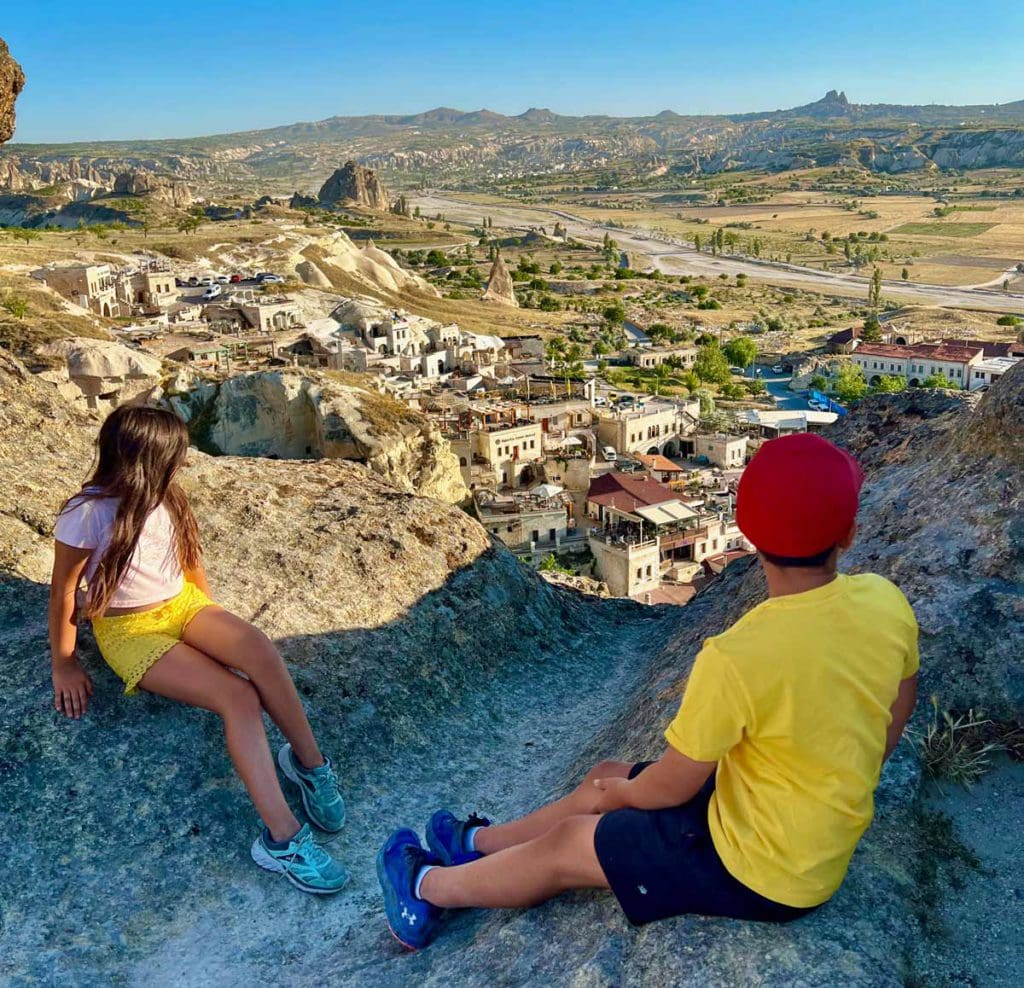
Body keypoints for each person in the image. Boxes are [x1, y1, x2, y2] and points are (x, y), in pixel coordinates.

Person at [376, 433, 919, 949]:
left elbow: (669, 789)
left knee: (570, 845)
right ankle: (476, 846)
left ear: (748, 535)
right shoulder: (884, 601)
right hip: (787, 826)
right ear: (848, 534)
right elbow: (899, 706)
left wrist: (627, 799)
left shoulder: (740, 656)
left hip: (763, 874)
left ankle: (425, 889)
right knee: (603, 777)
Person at [49, 405, 348, 894]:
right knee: (238, 698)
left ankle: (310, 765)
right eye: (175, 456)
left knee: (259, 650)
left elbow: (189, 560)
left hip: (183, 607)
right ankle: (283, 839)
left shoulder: (166, 497)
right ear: (146, 460)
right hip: (131, 632)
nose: (182, 463)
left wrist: (212, 624)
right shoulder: (87, 512)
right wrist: (65, 661)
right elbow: (63, 589)